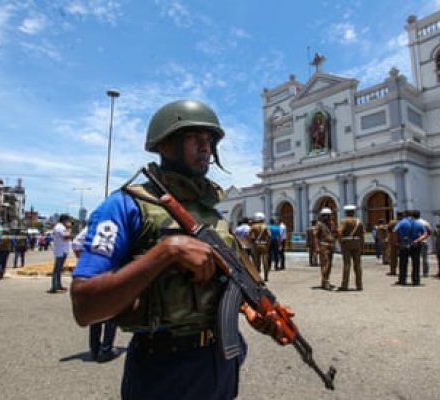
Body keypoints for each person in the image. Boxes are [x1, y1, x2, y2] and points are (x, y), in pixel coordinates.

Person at [69, 99, 289, 399]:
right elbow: (85, 306)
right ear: (165, 144)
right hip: (163, 369)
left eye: (209, 140)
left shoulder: (210, 211)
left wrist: (251, 310)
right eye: (194, 138)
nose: (206, 147)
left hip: (221, 362)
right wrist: (166, 252)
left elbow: (222, 280)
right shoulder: (125, 205)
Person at [72, 227, 118, 363]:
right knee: (111, 314)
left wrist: (84, 260)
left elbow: (76, 243)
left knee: (96, 312)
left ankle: (95, 349)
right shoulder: (116, 225)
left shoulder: (91, 228)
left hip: (93, 273)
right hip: (109, 272)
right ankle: (106, 350)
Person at [394, 210, 428, 286]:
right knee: (416, 263)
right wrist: (417, 240)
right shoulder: (418, 223)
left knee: (403, 263)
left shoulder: (402, 222)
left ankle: (402, 280)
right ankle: (416, 280)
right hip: (415, 245)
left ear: (405, 215)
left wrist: (397, 241)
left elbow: (395, 231)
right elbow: (425, 234)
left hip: (404, 244)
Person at [337, 205, 364, 291]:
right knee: (358, 265)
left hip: (347, 243)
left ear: (346, 212)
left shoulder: (344, 221)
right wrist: (362, 246)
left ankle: (345, 285)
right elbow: (362, 235)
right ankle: (359, 285)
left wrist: (340, 241)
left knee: (347, 264)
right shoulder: (359, 222)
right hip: (357, 243)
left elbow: (339, 231)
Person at [314, 207, 336, 290]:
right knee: (325, 264)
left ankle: (325, 280)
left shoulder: (332, 224)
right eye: (325, 215)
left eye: (328, 215)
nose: (326, 217)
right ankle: (326, 281)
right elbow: (315, 236)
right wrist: (317, 247)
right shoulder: (319, 224)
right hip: (323, 246)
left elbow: (334, 233)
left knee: (329, 264)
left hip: (331, 246)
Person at [49, 214, 72, 293]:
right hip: (60, 251)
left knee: (59, 269)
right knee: (57, 269)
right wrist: (68, 228)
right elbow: (66, 237)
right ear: (64, 220)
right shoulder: (60, 227)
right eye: (68, 221)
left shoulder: (60, 227)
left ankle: (58, 285)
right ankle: (54, 286)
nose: (69, 223)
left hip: (62, 250)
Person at [249, 212, 271, 280]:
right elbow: (269, 235)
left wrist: (252, 241)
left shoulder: (253, 226)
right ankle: (266, 276)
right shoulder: (265, 226)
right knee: (265, 260)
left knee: (256, 261)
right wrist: (268, 244)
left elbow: (249, 235)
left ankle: (258, 276)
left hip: (256, 244)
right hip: (264, 244)